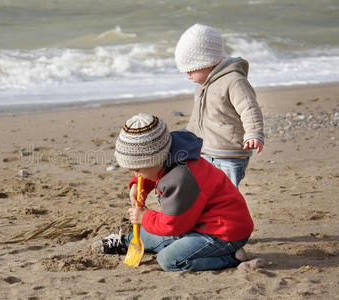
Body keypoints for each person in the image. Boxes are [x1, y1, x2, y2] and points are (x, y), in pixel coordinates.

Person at [92, 113, 254, 272]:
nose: (136, 174)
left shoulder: (182, 179)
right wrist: (138, 185)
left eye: (137, 170)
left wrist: (144, 217)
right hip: (197, 222)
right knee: (147, 233)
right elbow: (154, 170)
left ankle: (232, 258)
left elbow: (174, 225)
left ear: (155, 159)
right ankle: (126, 242)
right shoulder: (171, 153)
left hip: (223, 233)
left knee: (168, 259)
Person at [174, 23, 265, 187]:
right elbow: (197, 119)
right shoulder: (202, 86)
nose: (188, 76)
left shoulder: (234, 81)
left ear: (207, 62)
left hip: (229, 152)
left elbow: (249, 108)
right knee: (207, 191)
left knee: (226, 192)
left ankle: (229, 213)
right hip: (207, 151)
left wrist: (254, 134)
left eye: (190, 70)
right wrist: (187, 139)